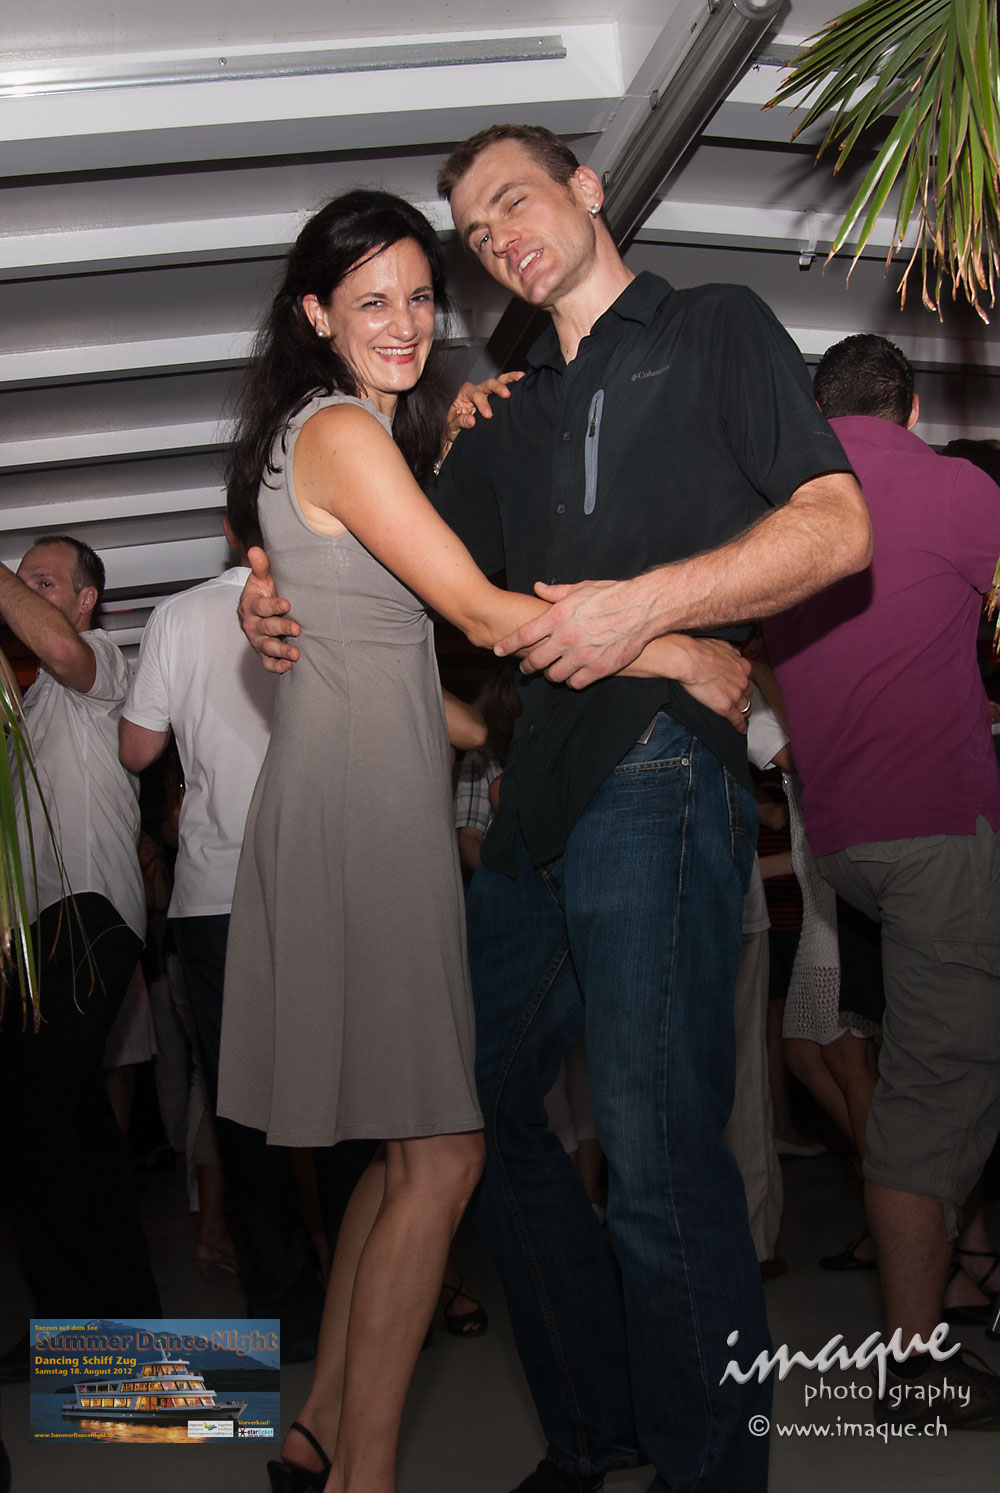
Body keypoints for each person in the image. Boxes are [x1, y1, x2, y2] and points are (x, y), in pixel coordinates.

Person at [239, 131, 871, 1493]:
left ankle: (707, 1473)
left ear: (587, 191)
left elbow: (838, 527)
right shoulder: (502, 417)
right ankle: (594, 1427)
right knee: (464, 1114)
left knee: (652, 1150)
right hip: (531, 804)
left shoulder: (712, 327)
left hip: (657, 774)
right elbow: (401, 569)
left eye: (513, 200)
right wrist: (266, 585)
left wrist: (653, 611)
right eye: (473, 232)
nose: (497, 237)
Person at [765, 332, 1000, 1427]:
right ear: (910, 411)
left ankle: (954, 1284)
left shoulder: (784, 507)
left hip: (843, 845)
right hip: (936, 830)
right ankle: (912, 1364)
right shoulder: (953, 487)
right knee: (936, 1085)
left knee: (932, 1064)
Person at [0, 536, 160, 1374]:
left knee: (29, 1117)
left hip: (89, 915)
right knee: (76, 1125)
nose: (26, 590)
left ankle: (75, 1335)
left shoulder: (100, 659)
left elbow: (59, 649)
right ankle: (128, 1322)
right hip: (44, 933)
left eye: (43, 580)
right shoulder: (31, 702)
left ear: (86, 600)